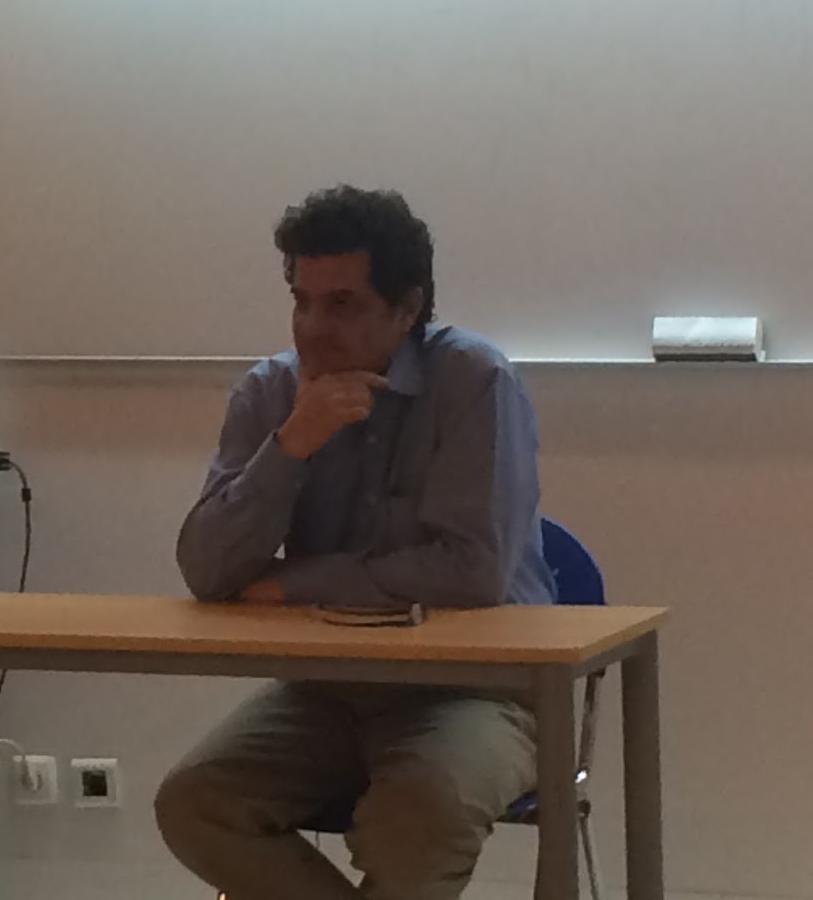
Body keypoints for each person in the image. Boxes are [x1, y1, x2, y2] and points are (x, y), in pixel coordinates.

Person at [154, 184, 555, 900]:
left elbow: (472, 571)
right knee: (195, 802)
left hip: (476, 692)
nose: (313, 327)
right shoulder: (270, 393)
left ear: (407, 308)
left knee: (417, 814)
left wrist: (292, 583)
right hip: (330, 691)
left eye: (341, 304)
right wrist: (291, 445)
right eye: (302, 301)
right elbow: (208, 570)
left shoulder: (475, 381)